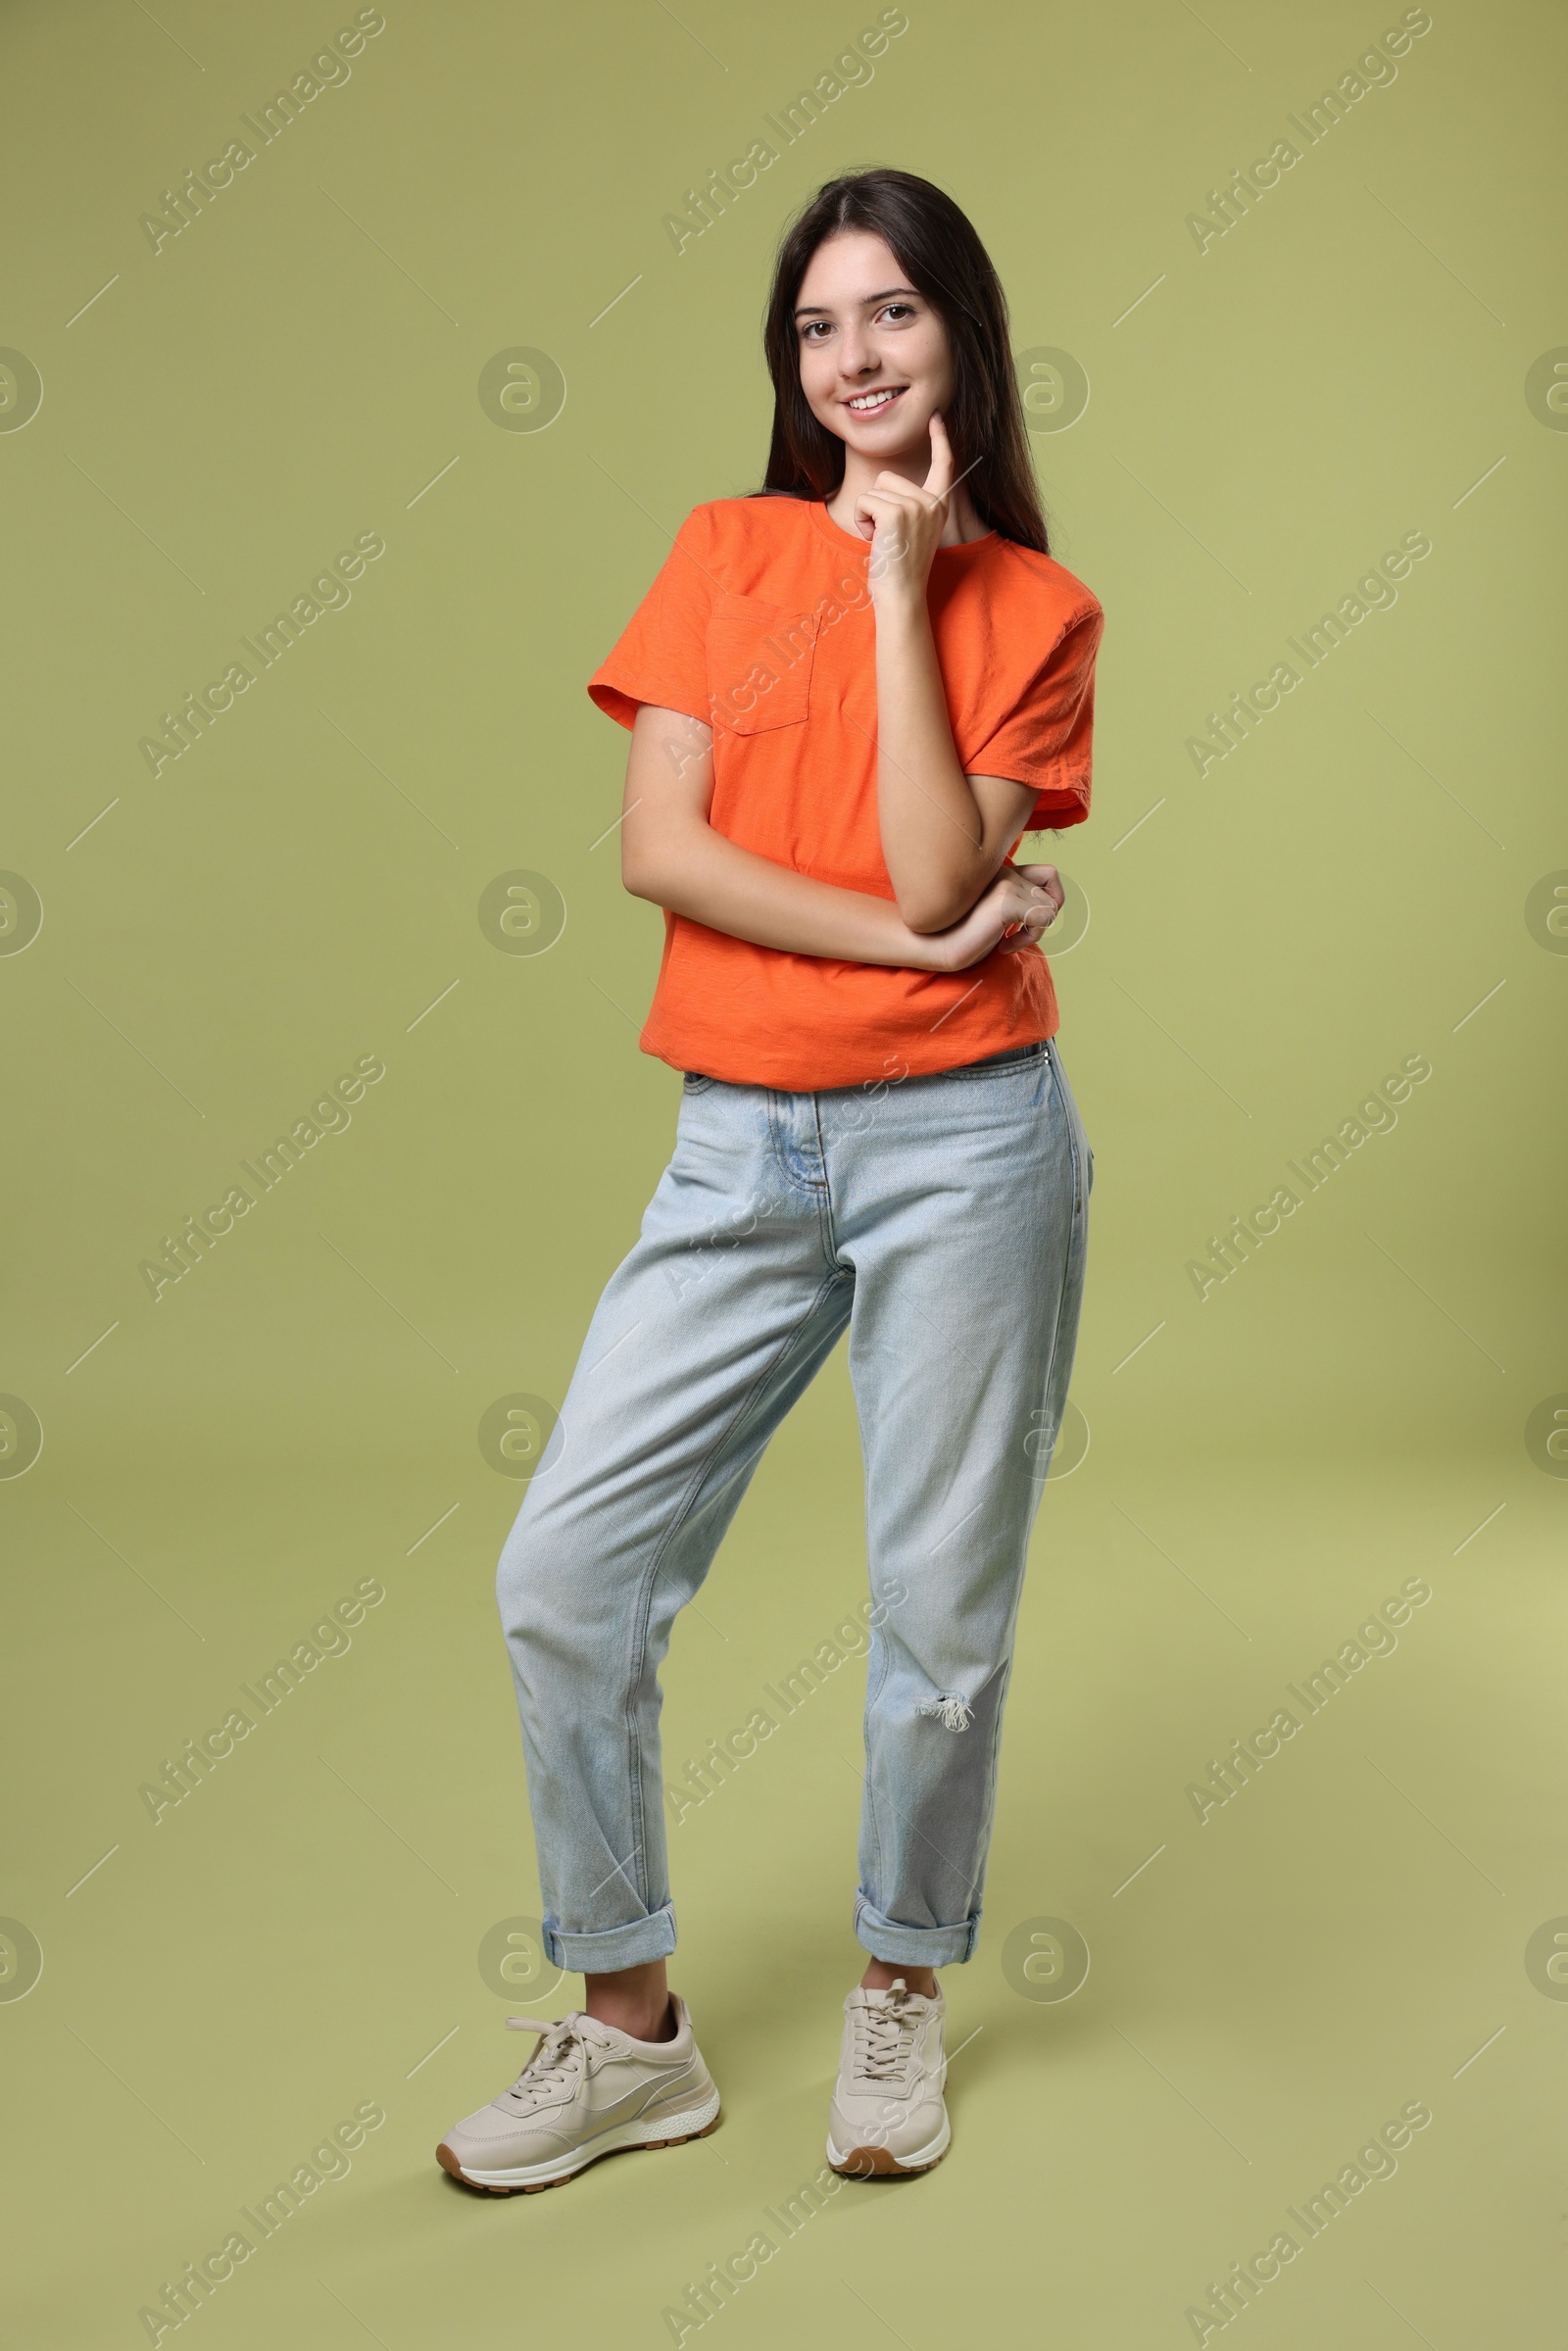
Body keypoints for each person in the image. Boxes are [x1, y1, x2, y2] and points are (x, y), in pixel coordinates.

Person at [437, 165, 1102, 2196]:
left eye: (889, 315)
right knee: (563, 1575)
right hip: (739, 1141)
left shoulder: (1031, 612)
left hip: (964, 1146)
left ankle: (897, 1983)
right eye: (816, 327)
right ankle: (627, 2027)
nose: (852, 359)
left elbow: (930, 851)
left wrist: (902, 592)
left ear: (960, 342)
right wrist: (912, 945)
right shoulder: (721, 553)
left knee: (937, 1614)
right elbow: (666, 852)